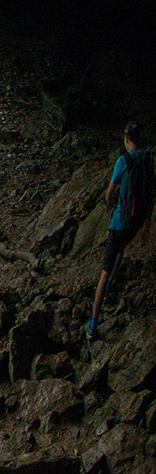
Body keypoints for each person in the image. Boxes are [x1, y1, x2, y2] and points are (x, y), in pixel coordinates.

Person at [89, 121, 152, 339]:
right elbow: (150, 195)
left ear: (126, 138)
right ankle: (112, 285)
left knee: (104, 272)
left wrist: (111, 202)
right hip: (137, 222)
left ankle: (92, 324)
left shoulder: (123, 161)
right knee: (122, 250)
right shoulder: (148, 158)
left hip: (120, 222)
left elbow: (109, 193)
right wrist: (147, 228)